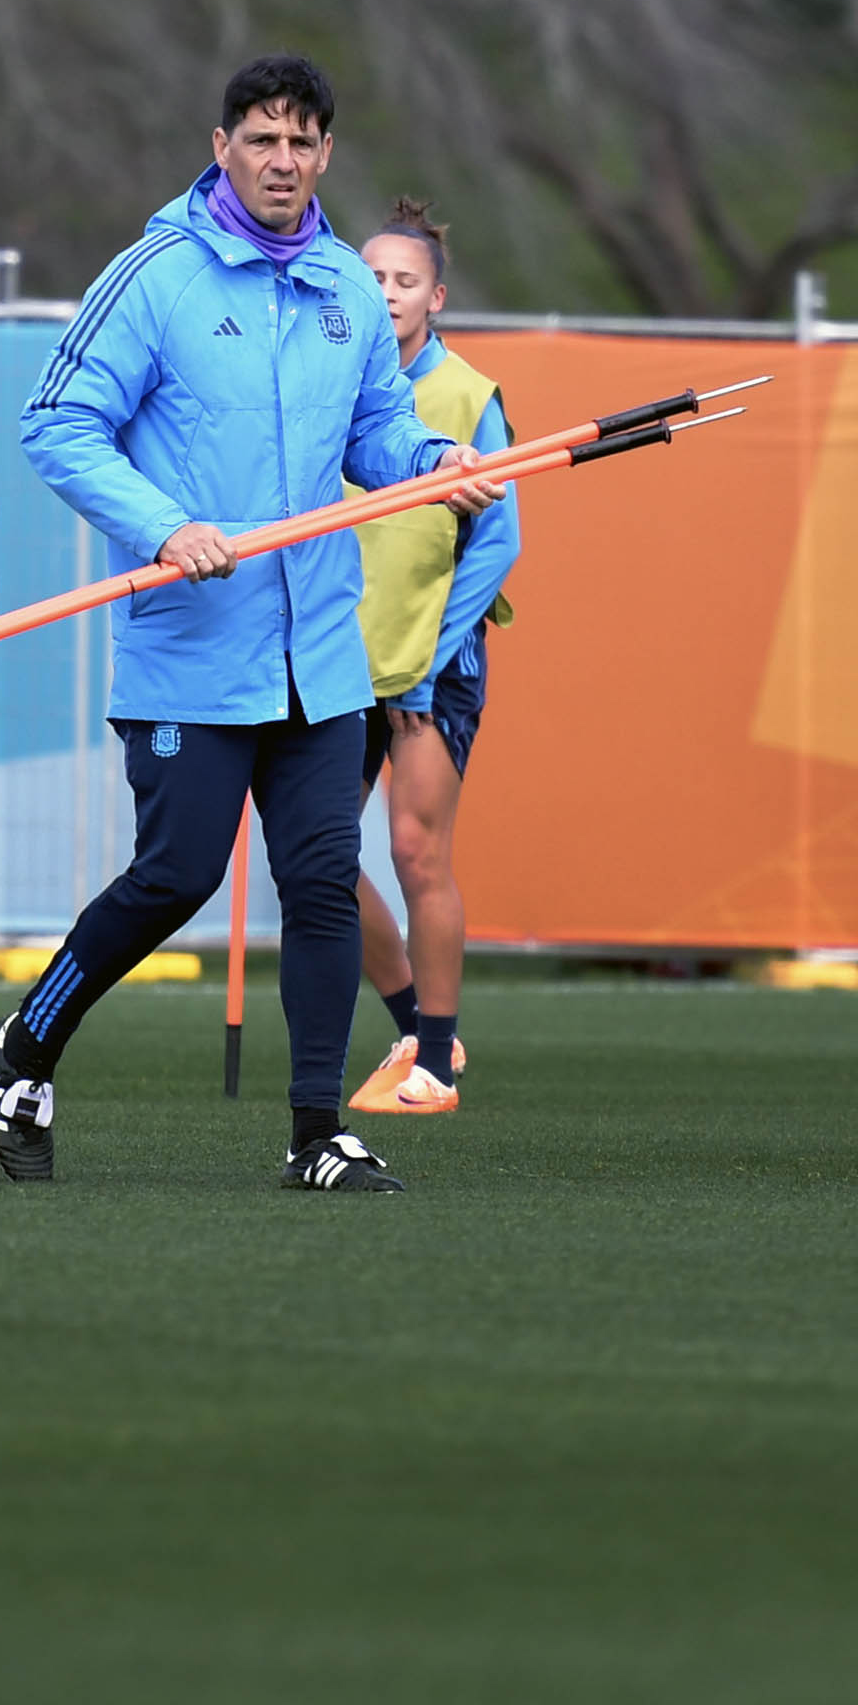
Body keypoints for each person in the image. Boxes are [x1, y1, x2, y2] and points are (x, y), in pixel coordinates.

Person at [0, 54, 504, 1192]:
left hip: (319, 652)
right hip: (190, 647)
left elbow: (376, 434)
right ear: (222, 143)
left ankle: (316, 1130)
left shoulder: (339, 287)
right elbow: (57, 425)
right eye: (262, 139)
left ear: (327, 154)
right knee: (174, 877)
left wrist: (432, 462)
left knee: (323, 877)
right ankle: (28, 1045)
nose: (283, 160)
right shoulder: (156, 275)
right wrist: (167, 524)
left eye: (303, 141)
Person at [341, 199, 522, 1118]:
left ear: (435, 297)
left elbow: (498, 542)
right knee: (322, 855)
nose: (385, 293)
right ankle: (417, 1023)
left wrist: (424, 660)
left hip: (431, 665)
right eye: (369, 277)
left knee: (418, 851)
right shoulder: (330, 382)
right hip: (339, 655)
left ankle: (435, 1072)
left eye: (403, 280)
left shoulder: (469, 396)